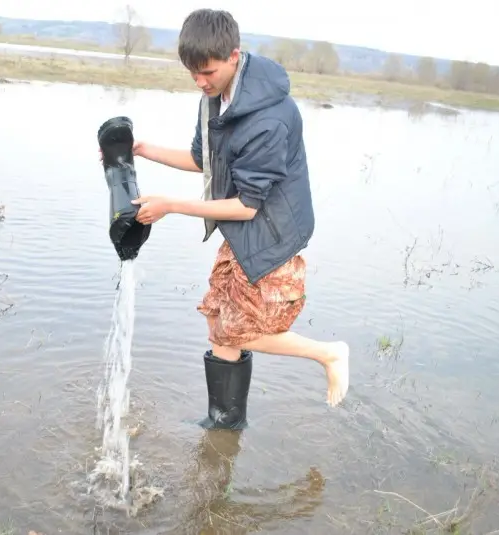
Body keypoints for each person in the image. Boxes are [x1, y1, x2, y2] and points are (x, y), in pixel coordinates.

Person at [126, 9, 350, 424]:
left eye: (207, 72)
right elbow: (202, 159)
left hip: (272, 231)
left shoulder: (269, 119)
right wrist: (143, 149)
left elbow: (248, 204)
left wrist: (171, 205)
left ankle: (328, 353)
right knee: (220, 321)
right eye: (192, 73)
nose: (200, 82)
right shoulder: (214, 98)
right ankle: (225, 424)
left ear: (234, 55)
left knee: (241, 329)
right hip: (243, 228)